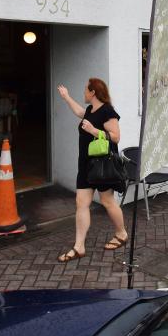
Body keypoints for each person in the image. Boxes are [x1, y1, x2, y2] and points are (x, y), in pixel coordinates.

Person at [56, 78, 128, 263]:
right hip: (86, 165)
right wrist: (66, 97)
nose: (84, 94)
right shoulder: (89, 110)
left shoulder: (107, 111)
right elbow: (80, 112)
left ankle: (121, 233)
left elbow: (116, 137)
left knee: (107, 201)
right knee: (81, 203)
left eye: (85, 91)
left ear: (93, 92)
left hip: (102, 165)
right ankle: (79, 247)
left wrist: (94, 131)